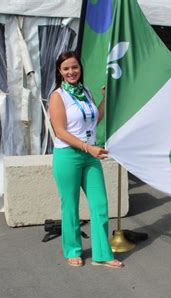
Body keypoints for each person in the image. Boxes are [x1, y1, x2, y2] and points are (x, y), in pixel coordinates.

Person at [48, 51, 123, 268]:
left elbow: (93, 120)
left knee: (100, 204)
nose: (71, 72)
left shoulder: (86, 91)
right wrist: (88, 147)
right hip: (68, 156)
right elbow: (60, 131)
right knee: (70, 206)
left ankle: (102, 254)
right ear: (60, 72)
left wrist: (105, 100)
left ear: (80, 69)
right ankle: (72, 250)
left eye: (75, 67)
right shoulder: (57, 96)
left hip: (90, 155)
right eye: (66, 69)